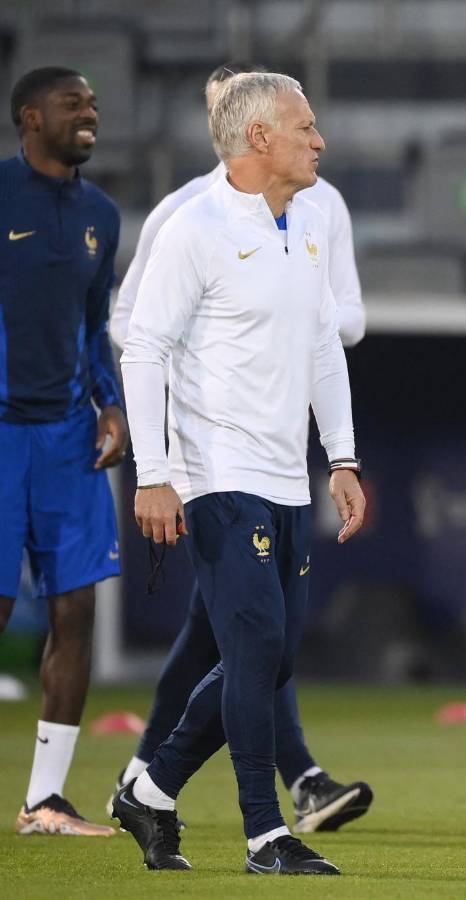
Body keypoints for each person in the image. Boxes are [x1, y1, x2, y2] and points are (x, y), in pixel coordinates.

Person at [106, 61, 370, 836]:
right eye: (306, 128)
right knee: (253, 649)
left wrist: (343, 458)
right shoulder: (192, 226)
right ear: (259, 136)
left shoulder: (311, 222)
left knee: (269, 656)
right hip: (217, 472)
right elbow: (142, 346)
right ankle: (267, 830)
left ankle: (151, 790)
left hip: (287, 474)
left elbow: (325, 344)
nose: (320, 141)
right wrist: (154, 474)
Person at [1, 67, 128, 838]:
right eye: (71, 103)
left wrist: (111, 403)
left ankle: (44, 801)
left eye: (92, 104)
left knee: (75, 607)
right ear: (30, 117)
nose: (89, 113)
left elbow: (94, 322)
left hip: (68, 438)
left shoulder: (101, 215)